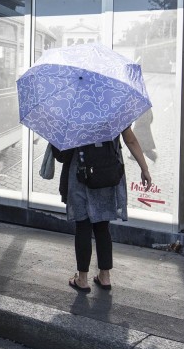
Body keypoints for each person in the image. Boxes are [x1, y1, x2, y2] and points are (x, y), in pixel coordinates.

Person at [52, 126, 152, 293]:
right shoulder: (113, 109)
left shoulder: (76, 112)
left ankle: (82, 280)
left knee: (83, 225)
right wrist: (145, 169)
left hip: (80, 175)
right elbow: (130, 140)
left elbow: (61, 150)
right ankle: (104, 276)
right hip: (106, 174)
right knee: (102, 225)